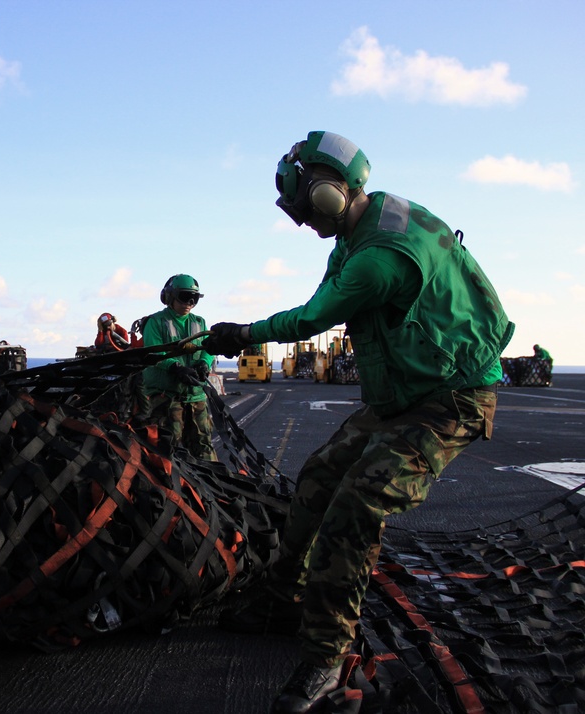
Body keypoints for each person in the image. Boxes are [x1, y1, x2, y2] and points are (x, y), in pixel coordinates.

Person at [202, 131, 514, 713]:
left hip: (451, 399)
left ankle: (326, 658)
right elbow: (321, 299)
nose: (301, 222)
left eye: (303, 208)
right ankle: (280, 600)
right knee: (318, 479)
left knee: (358, 503)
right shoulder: (357, 234)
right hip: (401, 396)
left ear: (327, 192)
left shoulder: (378, 258)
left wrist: (242, 334)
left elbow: (315, 316)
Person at [134, 274, 216, 461]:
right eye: (184, 297)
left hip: (196, 397)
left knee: (204, 449)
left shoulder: (199, 322)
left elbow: (209, 347)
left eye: (194, 299)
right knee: (163, 453)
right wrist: (176, 368)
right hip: (166, 399)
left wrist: (204, 362)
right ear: (169, 297)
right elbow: (154, 353)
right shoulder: (155, 322)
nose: (189, 303)